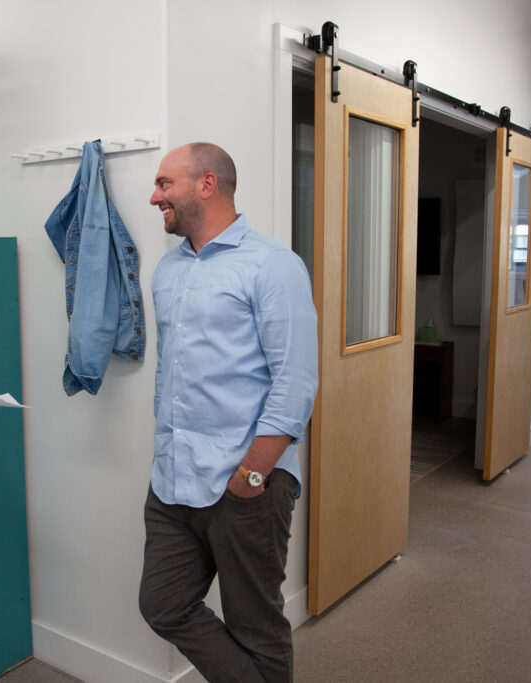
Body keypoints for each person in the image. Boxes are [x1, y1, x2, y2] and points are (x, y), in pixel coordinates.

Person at [138, 143, 318, 682]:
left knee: (255, 627)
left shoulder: (272, 265)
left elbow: (296, 383)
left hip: (246, 484)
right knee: (163, 603)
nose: (154, 196)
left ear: (207, 184)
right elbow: (173, 374)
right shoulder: (168, 272)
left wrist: (251, 476)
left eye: (165, 183)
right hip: (172, 480)